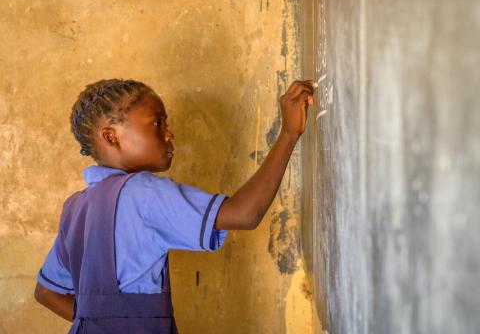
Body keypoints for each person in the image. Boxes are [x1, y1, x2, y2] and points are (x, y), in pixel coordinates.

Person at [34, 78, 315, 333]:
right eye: (157, 123)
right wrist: (289, 132)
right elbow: (244, 213)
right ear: (111, 137)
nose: (170, 134)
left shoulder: (75, 207)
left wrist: (103, 322)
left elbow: (46, 292)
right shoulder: (143, 193)